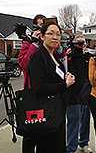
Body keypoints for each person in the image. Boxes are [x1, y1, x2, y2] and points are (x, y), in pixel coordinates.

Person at [23, 21, 75, 153]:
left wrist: (65, 77)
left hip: (58, 112)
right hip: (46, 112)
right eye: (50, 33)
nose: (55, 37)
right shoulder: (38, 57)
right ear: (42, 36)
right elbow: (38, 88)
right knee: (48, 148)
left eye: (58, 34)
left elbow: (54, 78)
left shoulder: (55, 56)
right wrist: (65, 84)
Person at [66, 33, 93, 153]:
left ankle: (83, 143)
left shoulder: (87, 57)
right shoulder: (69, 55)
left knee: (85, 120)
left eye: (83, 42)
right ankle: (71, 148)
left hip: (85, 93)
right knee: (73, 122)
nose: (81, 44)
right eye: (79, 42)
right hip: (72, 94)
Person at [18, 14, 46, 89]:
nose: (42, 28)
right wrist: (34, 44)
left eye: (44, 25)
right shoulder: (28, 42)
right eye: (41, 25)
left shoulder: (49, 40)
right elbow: (23, 65)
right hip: (34, 85)